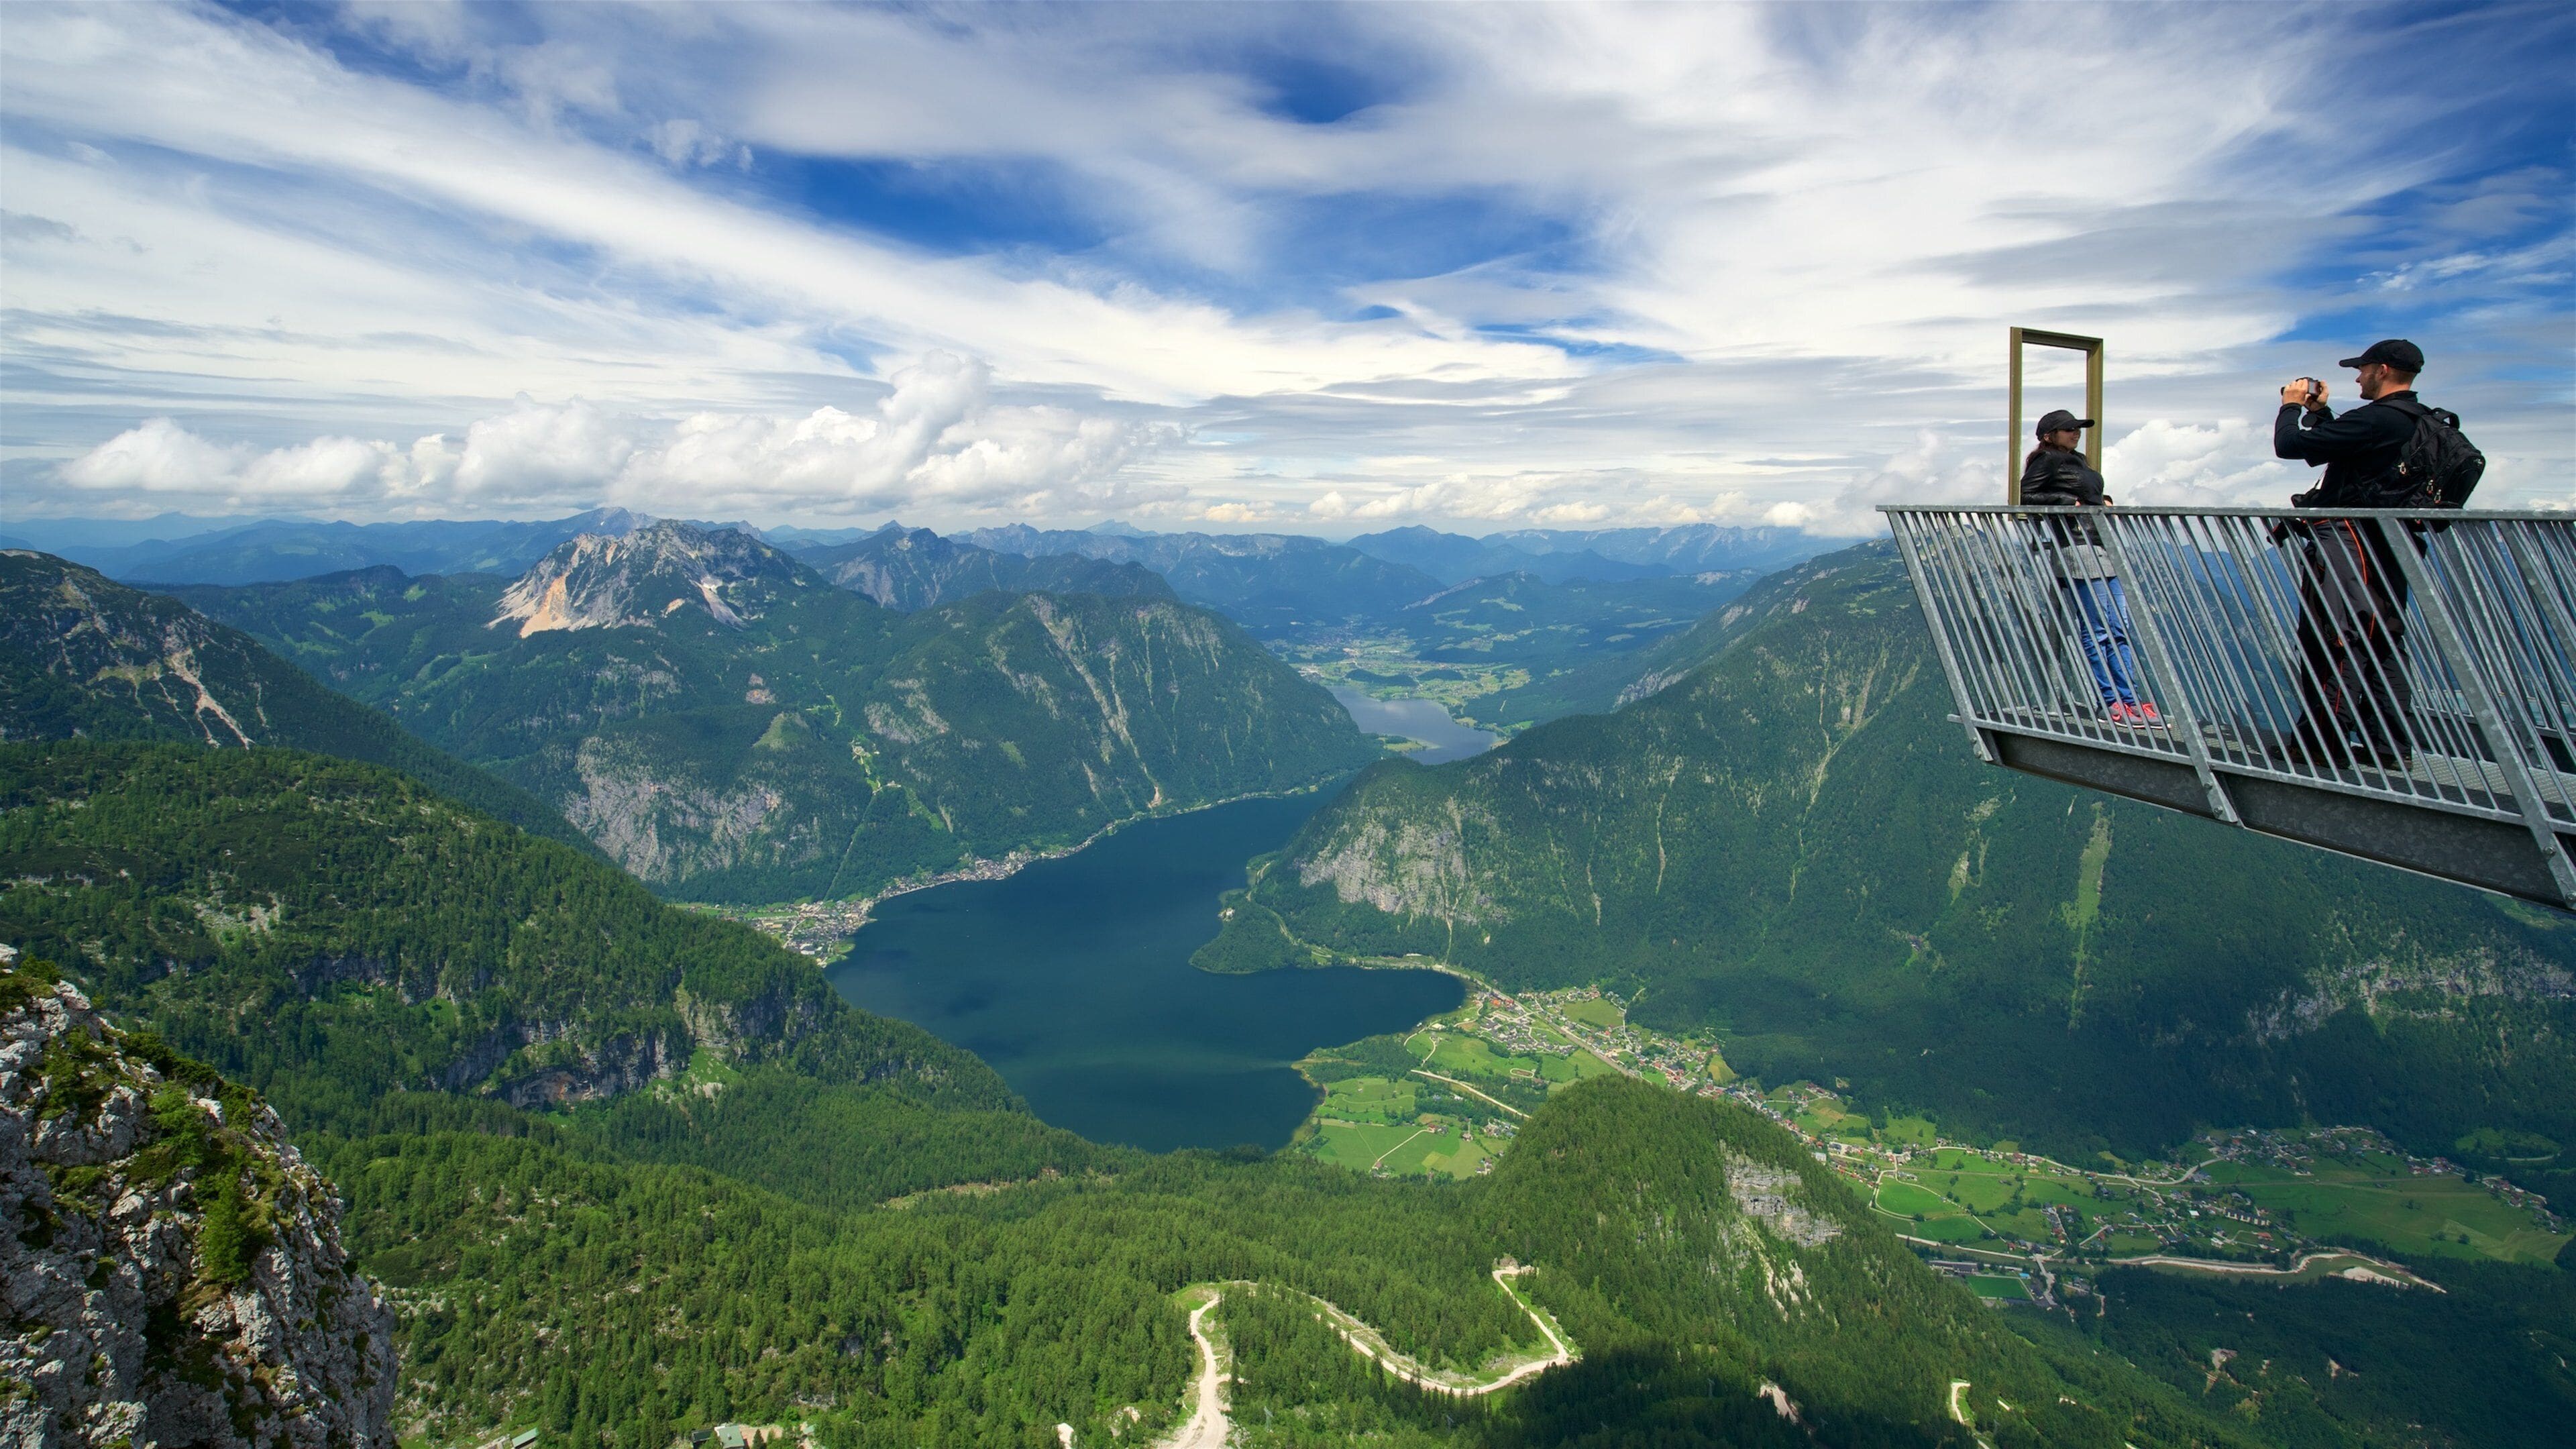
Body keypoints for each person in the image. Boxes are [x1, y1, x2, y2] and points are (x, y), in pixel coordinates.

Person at [2273, 338, 2426, 770]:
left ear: (2382, 370)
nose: (2358, 378)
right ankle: (2388, 747)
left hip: (2347, 545)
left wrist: (2291, 407)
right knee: (2383, 640)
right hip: (2390, 545)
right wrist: (2321, 414)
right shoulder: (2415, 420)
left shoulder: (2375, 419)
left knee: (2336, 638)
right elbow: (2351, 448)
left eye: (2362, 370)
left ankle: (2323, 744)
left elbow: (2290, 446)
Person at [2021, 408, 2157, 727]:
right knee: (2099, 630)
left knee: (2118, 628)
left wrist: (2103, 500)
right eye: (2069, 428)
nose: (2076, 432)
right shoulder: (2046, 459)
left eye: (2078, 428)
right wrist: (2070, 505)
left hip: (2101, 545)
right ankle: (2111, 703)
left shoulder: (2078, 460)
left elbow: (2086, 493)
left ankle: (2130, 699)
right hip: (2078, 547)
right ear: (2049, 435)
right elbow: (2028, 496)